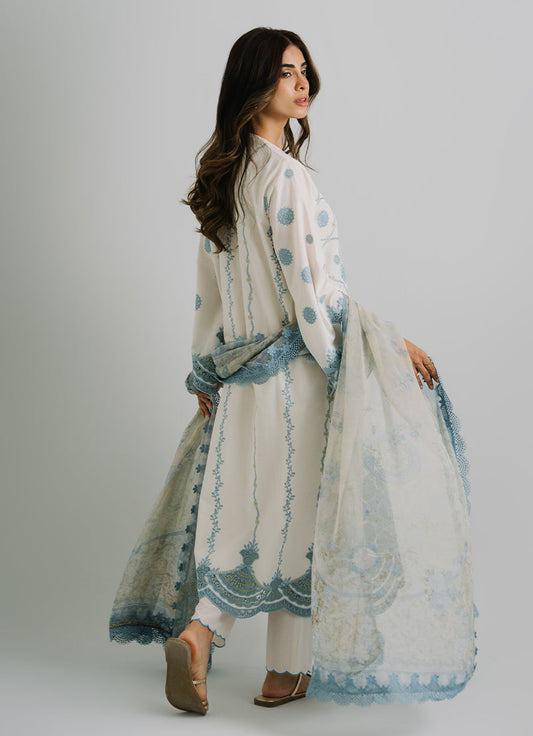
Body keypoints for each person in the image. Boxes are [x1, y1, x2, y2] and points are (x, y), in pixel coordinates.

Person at [163, 27, 440, 714]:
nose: (301, 82)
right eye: (285, 72)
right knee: (307, 517)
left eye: (303, 70)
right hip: (297, 382)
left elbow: (209, 298)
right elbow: (314, 299)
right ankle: (274, 667)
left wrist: (206, 376)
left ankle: (216, 640)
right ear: (254, 84)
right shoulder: (288, 179)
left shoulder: (224, 183)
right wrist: (381, 349)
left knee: (251, 516)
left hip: (241, 384)